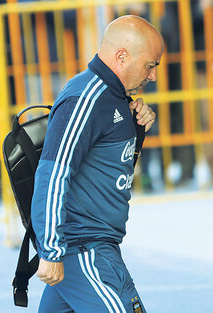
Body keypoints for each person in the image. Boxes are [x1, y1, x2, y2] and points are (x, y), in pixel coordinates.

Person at [30, 15, 163, 313]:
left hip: (92, 246)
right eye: (151, 65)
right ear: (122, 56)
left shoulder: (115, 97)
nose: (153, 76)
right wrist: (51, 248)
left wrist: (136, 129)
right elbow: (53, 174)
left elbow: (107, 164)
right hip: (84, 249)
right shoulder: (86, 98)